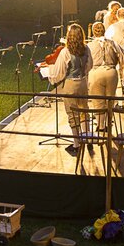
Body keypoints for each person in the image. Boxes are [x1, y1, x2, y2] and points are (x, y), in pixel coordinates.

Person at [45, 23, 92, 155]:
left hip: (71, 84)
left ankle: (77, 145)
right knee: (84, 111)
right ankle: (87, 141)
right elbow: (90, 65)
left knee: (73, 115)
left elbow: (60, 71)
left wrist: (51, 74)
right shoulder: (86, 49)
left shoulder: (66, 52)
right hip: (83, 83)